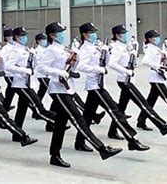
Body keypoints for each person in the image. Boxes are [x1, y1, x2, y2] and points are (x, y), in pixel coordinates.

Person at [39, 22, 122, 168]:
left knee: (60, 125)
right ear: (52, 35)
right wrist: (59, 72)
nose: (63, 34)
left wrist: (76, 60)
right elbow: (41, 68)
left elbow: (75, 67)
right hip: (58, 90)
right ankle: (102, 148)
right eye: (60, 32)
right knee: (79, 120)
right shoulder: (50, 50)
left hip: (68, 88)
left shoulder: (65, 49)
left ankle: (55, 155)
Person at [74, 22, 149, 153]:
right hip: (95, 86)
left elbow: (107, 62)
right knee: (115, 111)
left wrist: (105, 51)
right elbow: (80, 66)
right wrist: (97, 69)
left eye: (94, 32)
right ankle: (132, 140)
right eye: (91, 33)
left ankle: (79, 142)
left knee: (87, 116)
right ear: (84, 35)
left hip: (99, 85)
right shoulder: (85, 48)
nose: (93, 35)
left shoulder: (95, 46)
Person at [107, 25, 167, 139]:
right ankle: (161, 125)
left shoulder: (125, 46)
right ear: (117, 35)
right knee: (143, 103)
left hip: (129, 78)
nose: (125, 35)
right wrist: (126, 71)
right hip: (124, 80)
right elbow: (112, 64)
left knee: (121, 108)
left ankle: (112, 131)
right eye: (123, 33)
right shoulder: (117, 47)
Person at [6, 27, 55, 139]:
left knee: (22, 108)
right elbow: (8, 66)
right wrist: (24, 70)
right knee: (38, 106)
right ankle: (55, 121)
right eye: (22, 36)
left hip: (28, 83)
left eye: (25, 35)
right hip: (21, 83)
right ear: (16, 37)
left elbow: (34, 65)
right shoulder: (15, 51)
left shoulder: (26, 49)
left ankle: (17, 134)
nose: (24, 38)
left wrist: (34, 57)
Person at [0, 27, 17, 111]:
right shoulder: (5, 49)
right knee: (14, 89)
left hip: (17, 73)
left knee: (10, 91)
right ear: (6, 37)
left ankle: (5, 107)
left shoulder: (17, 46)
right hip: (9, 73)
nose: (12, 38)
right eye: (10, 36)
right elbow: (3, 61)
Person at [34, 33, 50, 100]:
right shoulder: (37, 50)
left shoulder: (46, 49)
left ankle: (36, 103)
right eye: (43, 39)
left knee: (42, 91)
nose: (45, 41)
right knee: (49, 89)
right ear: (39, 41)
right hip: (42, 75)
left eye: (46, 39)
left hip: (46, 74)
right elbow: (37, 63)